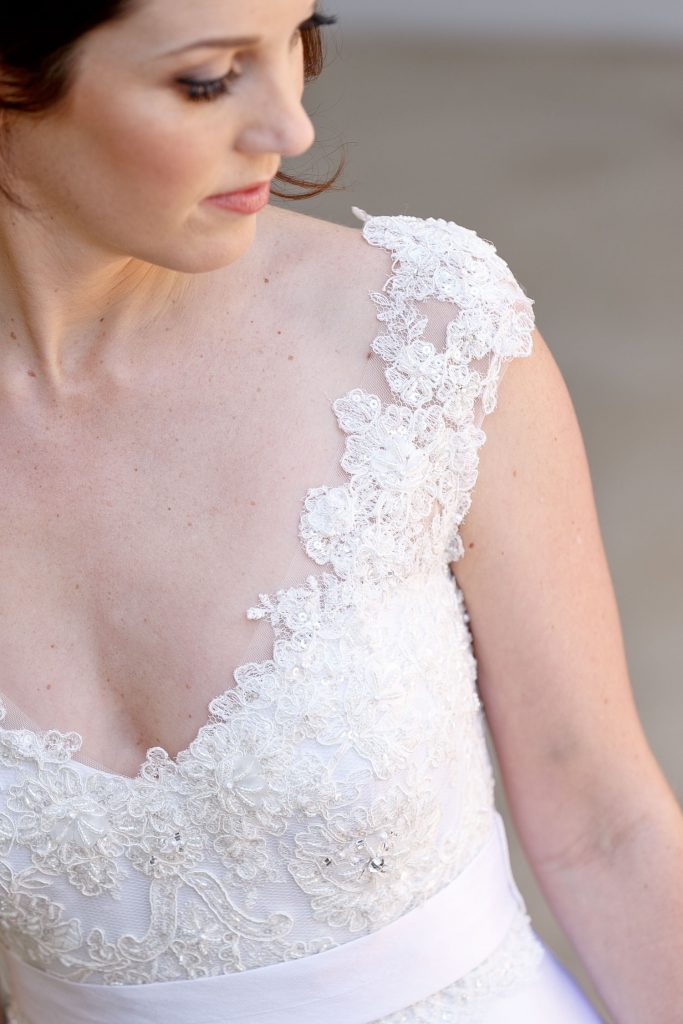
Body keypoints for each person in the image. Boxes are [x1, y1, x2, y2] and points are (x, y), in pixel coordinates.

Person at [0, 2, 681, 1022]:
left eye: (298, 43)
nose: (292, 126)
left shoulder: (420, 337)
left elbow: (600, 819)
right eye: (208, 79)